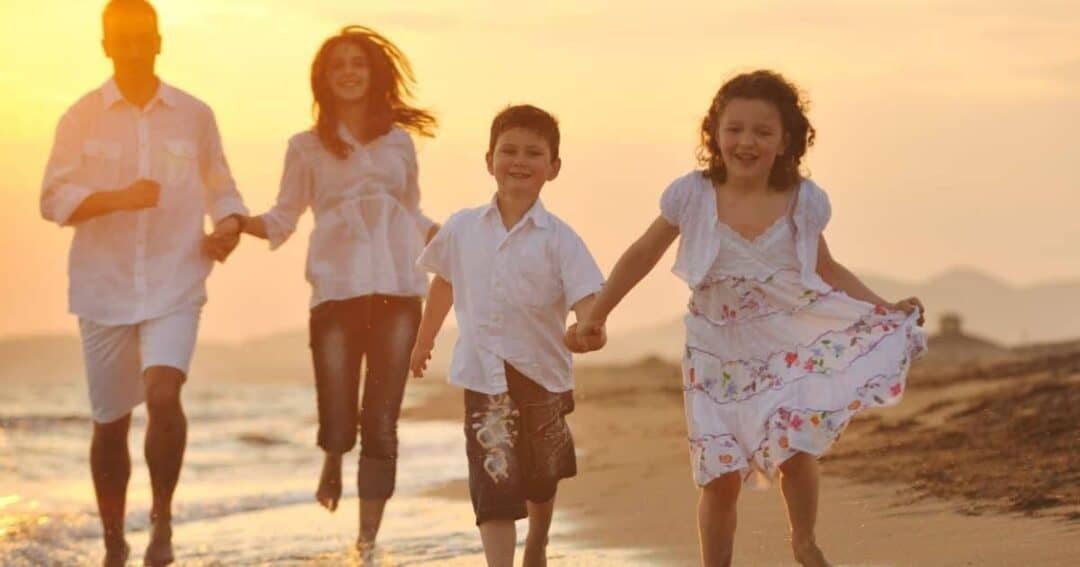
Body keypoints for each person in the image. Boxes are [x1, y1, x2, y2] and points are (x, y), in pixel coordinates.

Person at [567, 70, 927, 567]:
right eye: (734, 129)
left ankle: (804, 540)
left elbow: (826, 268)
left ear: (786, 141)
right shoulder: (692, 195)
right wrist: (598, 312)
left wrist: (883, 308)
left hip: (784, 345)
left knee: (795, 444)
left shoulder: (801, 200)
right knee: (719, 477)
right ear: (714, 134)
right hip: (713, 355)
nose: (746, 142)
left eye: (762, 131)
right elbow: (643, 253)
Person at [39, 1, 248, 565]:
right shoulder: (80, 116)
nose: (133, 49)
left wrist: (228, 228)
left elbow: (222, 188)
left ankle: (162, 523)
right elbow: (52, 199)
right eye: (122, 40)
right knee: (111, 424)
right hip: (102, 289)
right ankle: (114, 543)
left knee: (163, 394)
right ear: (106, 46)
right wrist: (117, 198)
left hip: (176, 279)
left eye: (143, 38)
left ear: (158, 41)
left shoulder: (194, 115)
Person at [238, 25, 438, 550]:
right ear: (323, 79)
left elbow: (411, 211)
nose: (349, 72)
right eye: (338, 65)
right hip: (335, 293)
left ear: (374, 74)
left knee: (382, 423)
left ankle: (366, 542)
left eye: (358, 63)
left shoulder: (399, 143)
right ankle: (333, 455)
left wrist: (447, 237)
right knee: (339, 414)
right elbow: (282, 218)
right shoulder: (304, 147)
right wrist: (238, 223)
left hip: (399, 290)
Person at [409, 105, 605, 567]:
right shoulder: (461, 227)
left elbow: (587, 298)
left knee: (541, 475)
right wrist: (423, 340)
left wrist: (587, 329)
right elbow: (444, 282)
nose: (519, 160)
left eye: (533, 153)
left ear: (553, 167)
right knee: (493, 481)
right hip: (483, 375)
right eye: (509, 150)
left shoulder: (561, 239)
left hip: (542, 374)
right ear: (489, 160)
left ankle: (537, 540)